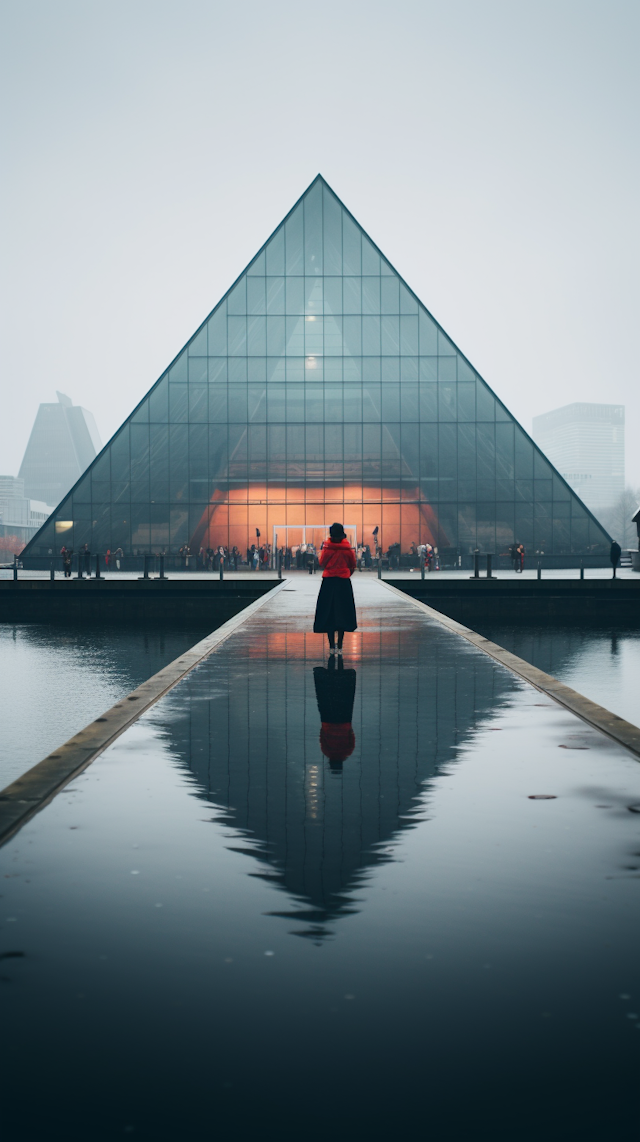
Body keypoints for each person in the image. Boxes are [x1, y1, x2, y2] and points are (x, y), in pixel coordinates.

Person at [313, 522, 357, 654]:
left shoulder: (327, 548)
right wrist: (346, 573)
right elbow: (353, 564)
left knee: (329, 613)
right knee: (342, 613)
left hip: (329, 582)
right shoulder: (347, 548)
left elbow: (322, 563)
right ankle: (340, 646)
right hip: (343, 583)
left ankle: (332, 646)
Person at [313, 657, 357, 771]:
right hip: (328, 720)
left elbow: (351, 738)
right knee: (328, 697)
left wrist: (349, 728)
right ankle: (331, 673)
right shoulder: (327, 751)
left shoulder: (348, 752)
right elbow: (322, 737)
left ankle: (340, 672)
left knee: (342, 695)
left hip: (344, 720)